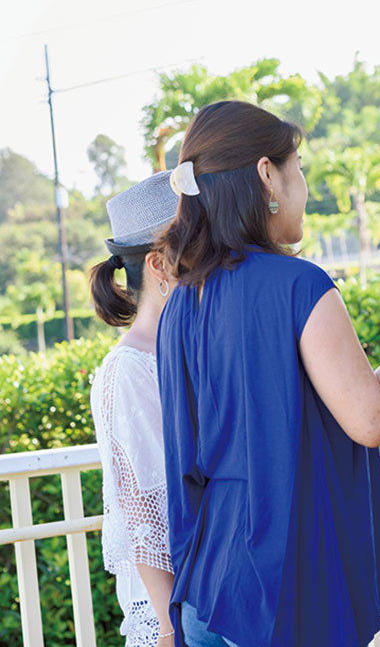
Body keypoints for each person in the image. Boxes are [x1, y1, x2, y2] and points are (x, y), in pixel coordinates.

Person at [153, 100, 380, 647]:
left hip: (207, 590)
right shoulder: (299, 286)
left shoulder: (180, 305)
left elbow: (180, 465)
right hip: (283, 588)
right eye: (298, 167)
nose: (304, 185)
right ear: (266, 175)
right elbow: (370, 416)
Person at [88, 171, 181, 646]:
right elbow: (142, 511)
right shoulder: (129, 369)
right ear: (160, 263)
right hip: (173, 614)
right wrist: (168, 631)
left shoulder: (179, 348)